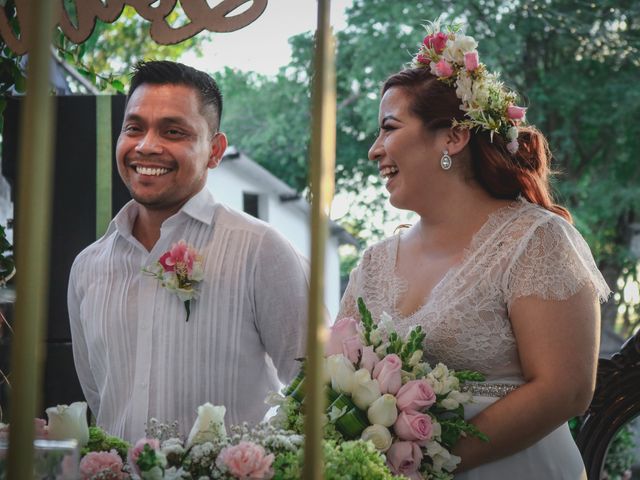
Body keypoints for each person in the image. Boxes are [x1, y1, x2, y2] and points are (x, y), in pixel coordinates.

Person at [338, 22, 610, 479]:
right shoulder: (373, 263)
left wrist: (428, 462)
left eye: (389, 128)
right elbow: (336, 375)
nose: (373, 150)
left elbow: (565, 389)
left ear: (453, 137)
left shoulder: (534, 240)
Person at [68, 61, 310, 442]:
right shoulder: (87, 268)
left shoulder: (262, 251)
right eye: (134, 128)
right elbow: (102, 402)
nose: (146, 146)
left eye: (173, 131)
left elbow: (311, 391)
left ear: (214, 151)